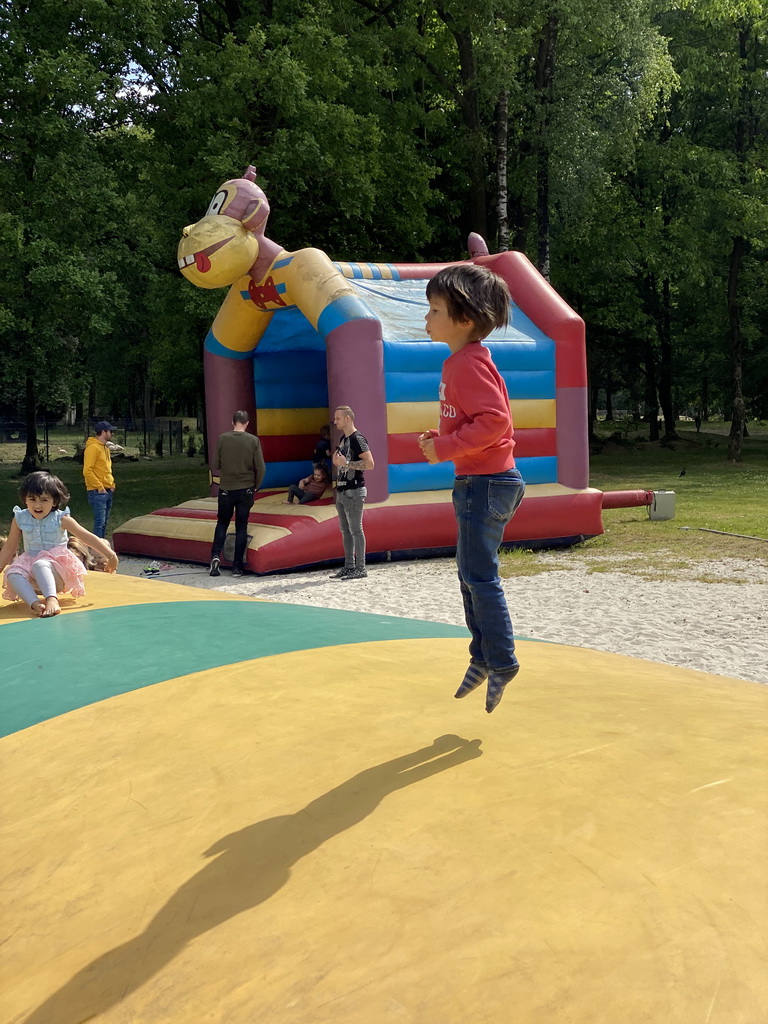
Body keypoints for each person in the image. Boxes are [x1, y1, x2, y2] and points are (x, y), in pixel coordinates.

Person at [418, 264, 526, 713]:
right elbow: (478, 420)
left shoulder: (466, 363)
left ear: (464, 320)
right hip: (478, 481)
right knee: (469, 575)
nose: (426, 318)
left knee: (480, 577)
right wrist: (441, 441)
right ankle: (482, 656)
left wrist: (444, 448)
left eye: (435, 309)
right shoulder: (464, 360)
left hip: (487, 483)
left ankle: (501, 661)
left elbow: (496, 421)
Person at [0, 471, 118, 618]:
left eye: (44, 500)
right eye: (32, 499)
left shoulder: (61, 519)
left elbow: (86, 537)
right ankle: (36, 604)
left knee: (40, 564)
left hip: (57, 573)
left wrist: (110, 555)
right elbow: (10, 546)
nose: (37, 505)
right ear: (25, 499)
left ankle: (52, 600)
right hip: (32, 577)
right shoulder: (20, 518)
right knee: (12, 573)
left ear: (54, 501)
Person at [209, 410, 266, 578]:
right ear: (247, 423)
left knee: (222, 522)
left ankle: (215, 556)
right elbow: (261, 467)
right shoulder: (253, 440)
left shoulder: (222, 439)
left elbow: (215, 464)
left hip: (226, 488)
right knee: (241, 526)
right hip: (246, 488)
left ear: (232, 422)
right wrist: (256, 486)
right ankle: (237, 567)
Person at [330, 405, 374, 580]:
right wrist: (338, 462)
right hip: (342, 489)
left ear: (347, 419)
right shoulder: (344, 439)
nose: (335, 421)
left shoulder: (358, 439)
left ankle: (361, 567)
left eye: (338, 418)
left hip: (354, 490)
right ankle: (349, 566)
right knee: (345, 530)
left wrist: (346, 464)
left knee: (356, 529)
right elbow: (342, 461)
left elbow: (370, 464)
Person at [83, 420, 117, 538]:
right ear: (103, 432)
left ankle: (101, 546)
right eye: (110, 431)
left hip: (107, 489)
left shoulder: (105, 448)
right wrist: (99, 487)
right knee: (99, 523)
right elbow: (87, 471)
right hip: (98, 491)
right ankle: (98, 549)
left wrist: (112, 485)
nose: (112, 434)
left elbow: (106, 469)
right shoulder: (93, 448)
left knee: (104, 522)